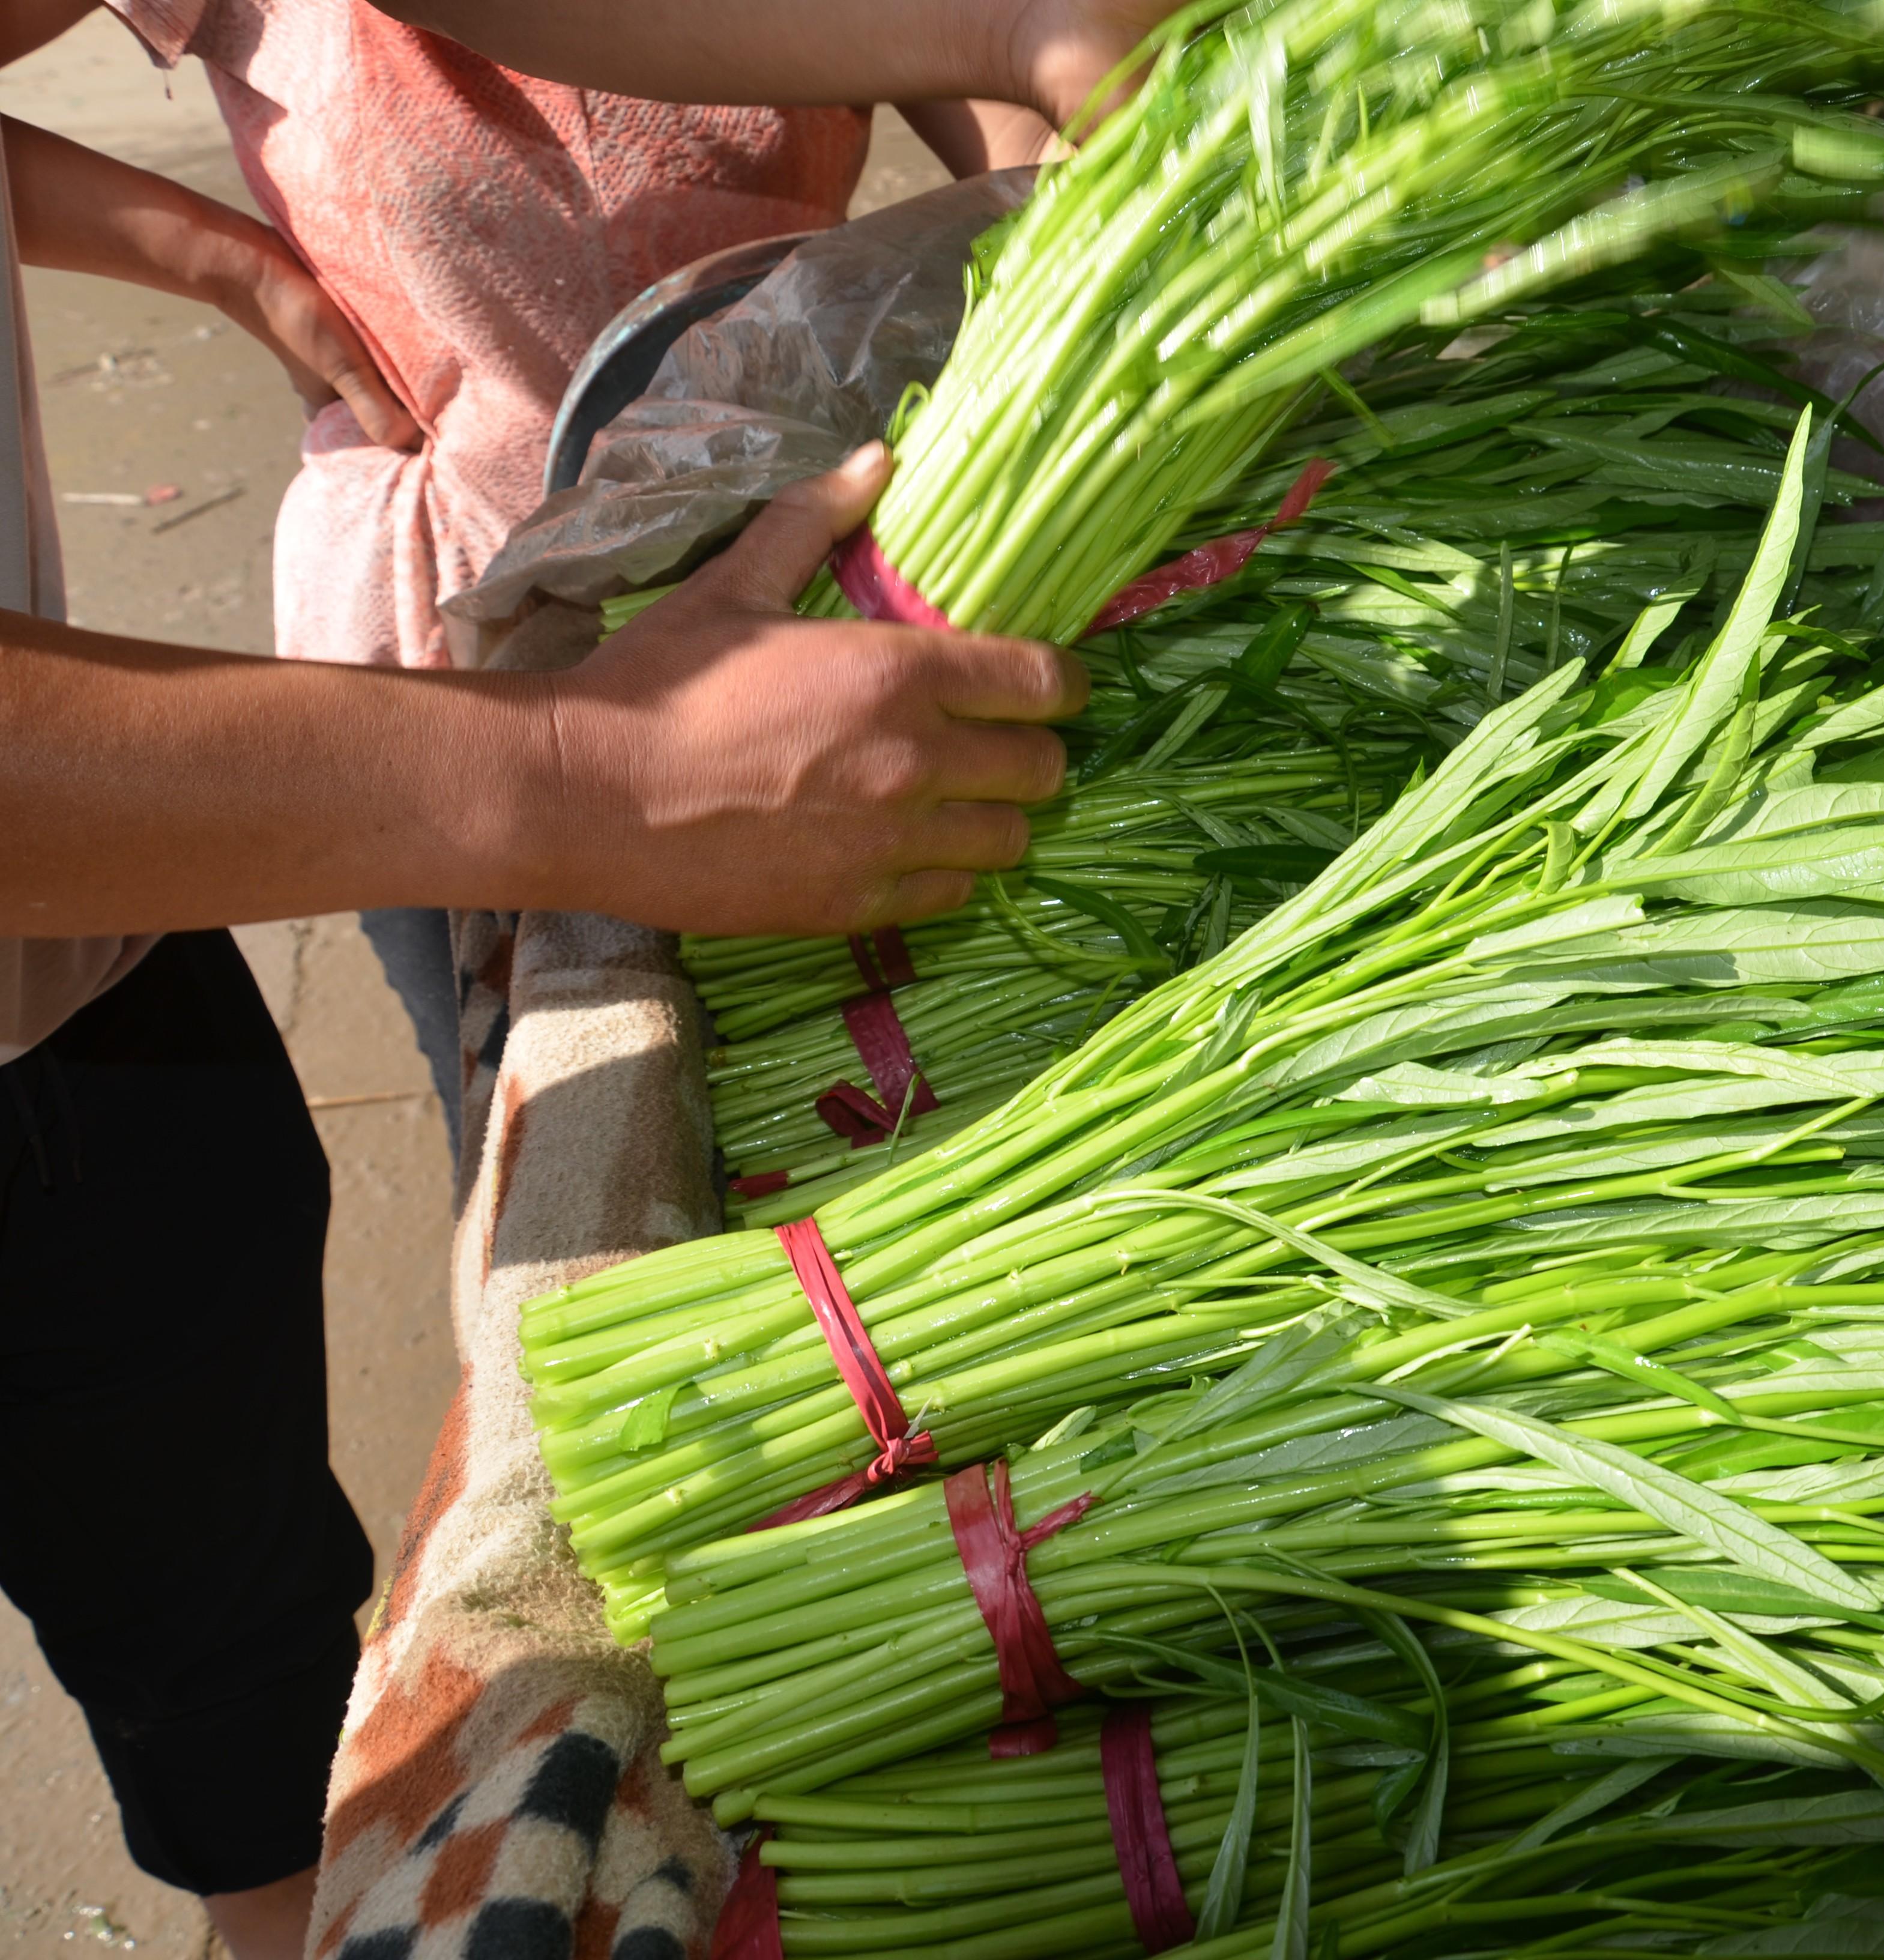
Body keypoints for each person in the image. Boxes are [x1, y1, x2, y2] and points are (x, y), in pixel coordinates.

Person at [0, 0, 1167, 1948]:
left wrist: (1016, 35)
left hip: (102, 981)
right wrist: (576, 772)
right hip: (456, 725)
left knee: (253, 1680)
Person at [1, 0, 1069, 1137]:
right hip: (441, 666)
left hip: (805, 578)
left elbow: (1002, 81)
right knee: (535, 1105)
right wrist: (230, 266)